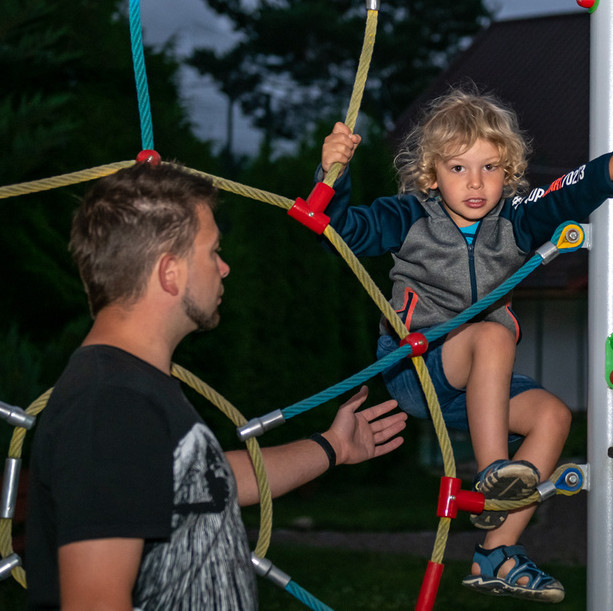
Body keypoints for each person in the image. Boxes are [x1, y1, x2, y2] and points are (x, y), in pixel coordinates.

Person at [319, 88, 613, 603]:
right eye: (458, 169)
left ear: (510, 172)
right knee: (494, 334)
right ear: (432, 175)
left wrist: (610, 168)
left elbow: (564, 195)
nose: (475, 183)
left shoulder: (514, 222)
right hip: (418, 364)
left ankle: (497, 551)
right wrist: (333, 176)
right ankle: (494, 471)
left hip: (479, 382)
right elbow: (341, 230)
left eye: (491, 168)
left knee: (552, 416)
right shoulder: (409, 216)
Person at [24, 162, 407, 611]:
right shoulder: (110, 404)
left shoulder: (130, 387)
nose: (224, 268)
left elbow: (207, 481)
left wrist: (333, 446)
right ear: (170, 272)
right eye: (212, 252)